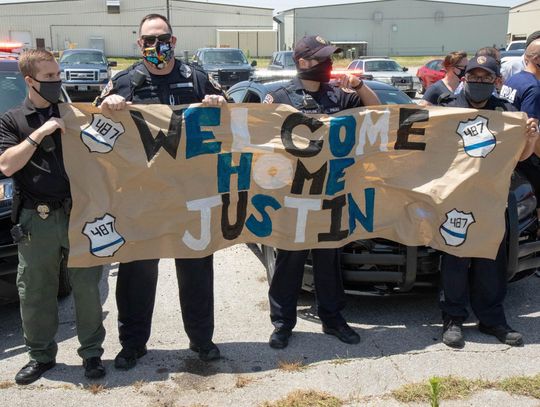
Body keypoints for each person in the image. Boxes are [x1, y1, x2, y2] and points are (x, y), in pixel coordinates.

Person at [94, 14, 227, 370]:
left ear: (174, 39)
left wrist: (219, 106)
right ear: (139, 44)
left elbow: (234, 123)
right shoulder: (123, 82)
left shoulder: (197, 78)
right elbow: (93, 131)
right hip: (142, 197)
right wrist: (105, 108)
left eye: (162, 37)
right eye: (149, 40)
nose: (156, 45)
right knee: (137, 273)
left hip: (191, 194)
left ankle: (202, 341)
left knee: (196, 270)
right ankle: (133, 344)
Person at [262, 35, 380, 349]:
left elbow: (378, 113)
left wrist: (358, 86)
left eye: (330, 57)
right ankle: (283, 324)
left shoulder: (341, 96)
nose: (329, 62)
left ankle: (333, 318)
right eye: (322, 57)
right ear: (302, 62)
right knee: (290, 262)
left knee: (329, 261)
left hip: (332, 195)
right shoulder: (279, 98)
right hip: (295, 197)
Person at [0, 49, 106, 384]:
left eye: (58, 74)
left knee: (87, 287)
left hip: (78, 214)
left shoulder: (75, 114)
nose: (56, 81)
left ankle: (91, 354)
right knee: (36, 289)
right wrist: (41, 132)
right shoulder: (12, 119)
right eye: (48, 77)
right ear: (29, 81)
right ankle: (40, 356)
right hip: (37, 219)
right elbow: (6, 164)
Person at [438, 55, 539, 349]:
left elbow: (519, 156)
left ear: (496, 81)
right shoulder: (446, 110)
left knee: (491, 261)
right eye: (473, 76)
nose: (478, 82)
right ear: (464, 77)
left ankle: (492, 319)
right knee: (455, 258)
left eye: (485, 78)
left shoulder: (506, 113)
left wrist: (530, 140)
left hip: (493, 200)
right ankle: (453, 318)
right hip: (455, 199)